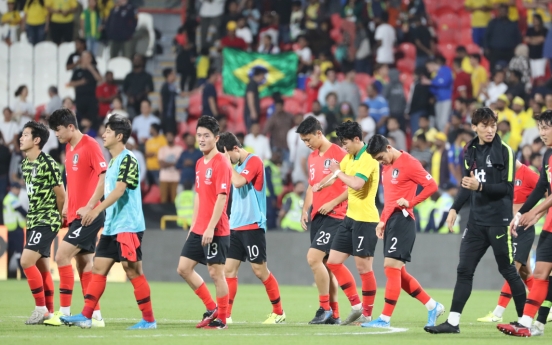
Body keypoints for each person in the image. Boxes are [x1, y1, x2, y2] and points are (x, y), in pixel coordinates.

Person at [426, 107, 526, 334]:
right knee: (464, 270)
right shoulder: (469, 149)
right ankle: (452, 323)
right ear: (474, 127)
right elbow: (466, 183)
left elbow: (508, 189)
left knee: (508, 270)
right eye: (484, 125)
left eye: (493, 125)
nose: (490, 130)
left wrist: (479, 186)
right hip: (475, 223)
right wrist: (454, 208)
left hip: (498, 221)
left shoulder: (505, 151)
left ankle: (524, 322)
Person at [59, 115, 156, 330]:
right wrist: (91, 203)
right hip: (113, 226)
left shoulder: (129, 158)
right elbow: (104, 187)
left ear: (119, 136)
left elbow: (120, 190)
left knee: (133, 271)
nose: (104, 135)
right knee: (99, 268)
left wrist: (95, 210)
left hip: (128, 226)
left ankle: (149, 320)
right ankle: (86, 315)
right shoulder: (113, 160)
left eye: (108, 132)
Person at [363, 134, 443, 329]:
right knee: (399, 273)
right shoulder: (387, 167)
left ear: (389, 148)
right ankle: (433, 306)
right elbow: (390, 199)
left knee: (391, 267)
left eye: (381, 157)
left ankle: (385, 318)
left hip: (403, 221)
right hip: (391, 220)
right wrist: (382, 222)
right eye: (377, 160)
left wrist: (411, 202)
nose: (380, 162)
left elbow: (432, 186)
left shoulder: (409, 163)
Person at [44, 108, 107, 327]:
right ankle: (96, 316)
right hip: (75, 215)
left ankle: (63, 312)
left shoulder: (90, 145)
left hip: (90, 214)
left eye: (58, 130)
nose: (56, 134)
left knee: (61, 256)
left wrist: (90, 206)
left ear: (71, 126)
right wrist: (66, 209)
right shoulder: (70, 149)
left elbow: (104, 177)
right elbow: (71, 181)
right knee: (84, 265)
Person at [312, 121, 379, 325]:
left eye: (346, 141)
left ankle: (367, 314)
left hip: (366, 220)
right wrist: (321, 185)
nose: (344, 146)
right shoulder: (350, 157)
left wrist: (338, 173)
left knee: (363, 268)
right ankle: (356, 305)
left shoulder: (368, 157)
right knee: (332, 261)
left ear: (357, 139)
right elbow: (336, 176)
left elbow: (357, 184)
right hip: (350, 218)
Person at [217, 132, 285, 324]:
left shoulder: (254, 162)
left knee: (260, 271)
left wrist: (226, 163)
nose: (227, 161)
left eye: (228, 156)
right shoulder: (236, 165)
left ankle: (279, 312)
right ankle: (226, 315)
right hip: (235, 226)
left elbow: (238, 183)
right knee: (228, 271)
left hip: (253, 225)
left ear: (236, 149)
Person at [497, 110, 552, 336]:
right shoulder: (548, 155)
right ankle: (529, 324)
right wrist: (521, 214)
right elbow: (541, 187)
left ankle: (534, 323)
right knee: (540, 273)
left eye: (546, 127)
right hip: (550, 224)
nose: (542, 133)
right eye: (540, 128)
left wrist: (536, 212)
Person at [176, 116, 232, 330]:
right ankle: (212, 307)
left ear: (216, 138)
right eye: (199, 135)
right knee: (183, 268)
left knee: (216, 273)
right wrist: (194, 225)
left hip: (216, 228)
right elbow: (199, 196)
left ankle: (222, 320)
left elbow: (222, 197)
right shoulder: (200, 163)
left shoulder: (221, 163)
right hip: (199, 228)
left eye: (206, 136)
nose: (201, 139)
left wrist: (210, 227)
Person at [297, 116, 347, 324]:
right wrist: (305, 209)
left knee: (313, 258)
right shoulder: (312, 158)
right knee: (326, 266)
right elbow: (311, 186)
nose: (307, 144)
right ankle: (334, 314)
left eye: (308, 139)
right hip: (318, 216)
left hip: (335, 215)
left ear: (319, 133)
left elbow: (351, 185)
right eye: (303, 141)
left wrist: (333, 203)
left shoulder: (340, 154)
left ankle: (324, 308)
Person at [477, 159, 538, 323]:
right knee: (525, 273)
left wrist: (536, 215)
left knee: (512, 269)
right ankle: (546, 305)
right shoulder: (503, 175)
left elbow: (546, 192)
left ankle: (498, 312)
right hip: (509, 227)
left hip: (523, 228)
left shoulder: (528, 174)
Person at [19, 121, 65, 324]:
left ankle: (40, 309)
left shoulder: (49, 163)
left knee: (25, 261)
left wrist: (58, 217)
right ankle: (50, 313)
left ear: (37, 140)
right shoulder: (25, 163)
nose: (21, 138)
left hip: (46, 219)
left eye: (25, 135)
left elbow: (61, 195)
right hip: (33, 220)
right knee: (43, 267)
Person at [68, 51, 102, 123]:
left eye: (89, 57)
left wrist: (91, 68)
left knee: (92, 119)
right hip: (80, 99)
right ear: (82, 58)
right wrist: (80, 82)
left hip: (91, 99)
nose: (88, 59)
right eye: (86, 57)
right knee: (80, 119)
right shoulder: (77, 71)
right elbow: (70, 84)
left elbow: (100, 80)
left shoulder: (94, 69)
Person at [4, 182, 26, 278]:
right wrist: (31, 217)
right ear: (13, 188)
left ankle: (12, 275)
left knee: (14, 251)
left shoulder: (7, 198)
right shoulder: (12, 199)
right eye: (17, 189)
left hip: (10, 228)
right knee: (19, 251)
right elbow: (20, 210)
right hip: (16, 228)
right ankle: (22, 274)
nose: (18, 191)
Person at [158, 131, 183, 204]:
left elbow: (180, 163)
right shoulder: (162, 149)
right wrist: (174, 163)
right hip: (164, 178)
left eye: (171, 136)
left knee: (175, 199)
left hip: (176, 177)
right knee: (164, 199)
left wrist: (167, 163)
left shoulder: (179, 149)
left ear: (174, 137)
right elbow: (161, 164)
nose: (169, 138)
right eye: (167, 136)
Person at [244, 67, 265, 131]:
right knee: (252, 131)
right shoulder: (252, 84)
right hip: (251, 113)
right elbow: (250, 97)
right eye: (263, 76)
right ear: (259, 75)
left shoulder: (254, 84)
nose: (263, 78)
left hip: (252, 113)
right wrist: (253, 111)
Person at [159, 68, 179, 134]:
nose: (174, 75)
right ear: (169, 75)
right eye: (173, 74)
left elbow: (181, 93)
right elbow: (160, 100)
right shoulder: (165, 86)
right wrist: (162, 114)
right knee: (168, 133)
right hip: (167, 115)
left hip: (171, 115)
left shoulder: (172, 86)